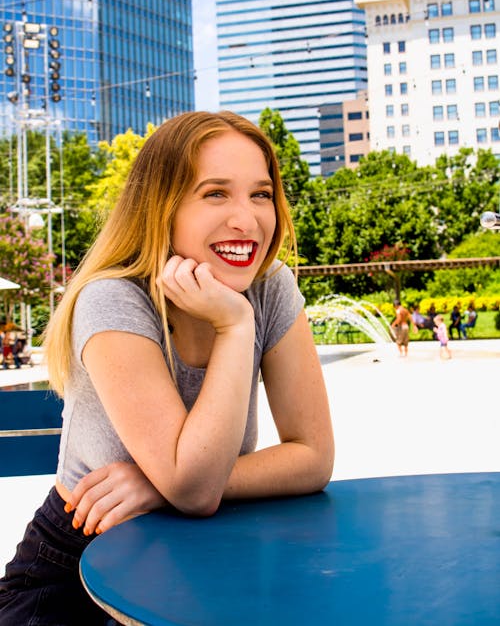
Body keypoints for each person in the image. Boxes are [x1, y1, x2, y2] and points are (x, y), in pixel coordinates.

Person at [0, 111, 334, 625]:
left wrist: (158, 488)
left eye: (261, 194)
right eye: (216, 193)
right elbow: (194, 490)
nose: (246, 219)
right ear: (162, 207)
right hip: (78, 573)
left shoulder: (270, 286)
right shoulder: (115, 297)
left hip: (203, 555)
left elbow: (313, 456)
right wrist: (235, 328)